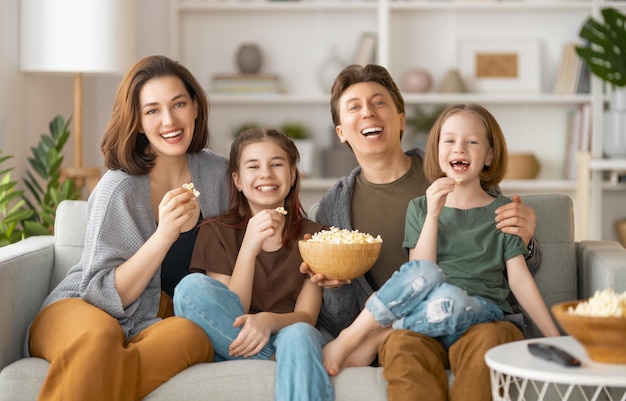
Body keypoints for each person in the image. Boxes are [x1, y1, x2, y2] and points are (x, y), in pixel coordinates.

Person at [301, 64, 542, 401]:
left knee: (488, 342)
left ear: (401, 118)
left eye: (379, 102)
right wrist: (334, 283)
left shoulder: (451, 168)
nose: (368, 112)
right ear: (341, 131)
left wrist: (529, 243)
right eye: (354, 106)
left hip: (478, 316)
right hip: (403, 329)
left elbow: (500, 256)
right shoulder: (333, 207)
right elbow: (337, 314)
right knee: (401, 346)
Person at [26, 55, 230, 401]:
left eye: (178, 104)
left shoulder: (219, 176)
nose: (170, 120)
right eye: (152, 110)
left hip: (155, 321)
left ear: (195, 107)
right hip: (82, 308)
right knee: (98, 339)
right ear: (136, 121)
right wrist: (164, 235)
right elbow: (99, 295)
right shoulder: (117, 188)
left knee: (192, 336)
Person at [322, 103, 560, 376]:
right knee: (421, 279)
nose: (459, 149)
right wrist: (433, 214)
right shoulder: (421, 207)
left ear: (489, 156)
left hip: (481, 309)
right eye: (450, 141)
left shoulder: (502, 212)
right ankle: (351, 337)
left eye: (472, 141)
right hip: (429, 308)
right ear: (437, 152)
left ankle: (380, 335)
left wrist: (554, 336)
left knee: (451, 298)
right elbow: (421, 274)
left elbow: (519, 280)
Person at [173, 128, 334, 401]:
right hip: (232, 333)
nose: (266, 174)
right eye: (253, 166)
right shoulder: (216, 231)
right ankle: (269, 359)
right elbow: (232, 309)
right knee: (190, 289)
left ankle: (272, 358)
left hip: (290, 333)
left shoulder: (317, 235)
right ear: (237, 180)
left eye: (277, 164)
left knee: (299, 335)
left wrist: (269, 321)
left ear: (293, 174)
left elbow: (307, 317)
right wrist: (248, 249)